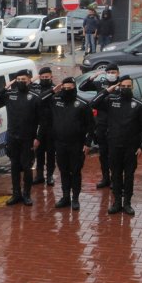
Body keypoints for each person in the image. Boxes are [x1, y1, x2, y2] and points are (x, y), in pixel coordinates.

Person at [90, 75, 142, 216]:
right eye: (123, 86)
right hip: (114, 145)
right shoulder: (111, 101)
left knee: (129, 176)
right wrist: (108, 90)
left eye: (128, 86)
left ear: (132, 87)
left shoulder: (139, 105)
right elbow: (93, 103)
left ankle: (127, 203)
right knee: (115, 175)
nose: (126, 89)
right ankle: (117, 202)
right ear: (119, 87)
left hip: (131, 147)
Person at [0, 70, 41, 206]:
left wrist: (37, 138)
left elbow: (43, 119)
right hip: (13, 137)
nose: (20, 82)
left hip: (28, 138)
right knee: (14, 166)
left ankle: (26, 195)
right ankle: (16, 194)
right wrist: (4, 87)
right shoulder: (10, 94)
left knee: (26, 167)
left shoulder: (35, 96)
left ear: (29, 80)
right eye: (18, 79)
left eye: (23, 79)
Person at [43, 77, 94, 210]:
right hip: (60, 143)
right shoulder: (55, 100)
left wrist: (88, 143)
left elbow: (91, 126)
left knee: (75, 172)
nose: (66, 91)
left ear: (74, 88)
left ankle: (75, 198)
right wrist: (53, 90)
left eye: (69, 88)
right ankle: (65, 196)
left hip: (76, 145)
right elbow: (40, 101)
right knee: (64, 171)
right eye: (64, 88)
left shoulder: (82, 104)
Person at [79, 63, 120, 189]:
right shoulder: (101, 84)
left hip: (116, 124)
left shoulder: (122, 84)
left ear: (118, 73)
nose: (111, 74)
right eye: (109, 72)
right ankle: (105, 178)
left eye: (114, 72)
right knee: (103, 154)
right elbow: (82, 87)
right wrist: (93, 76)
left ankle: (115, 179)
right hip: (102, 124)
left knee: (114, 155)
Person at [32, 66, 56, 186]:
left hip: (51, 126)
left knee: (51, 153)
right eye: (42, 77)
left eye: (47, 77)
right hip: (38, 125)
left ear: (51, 77)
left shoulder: (55, 88)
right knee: (39, 153)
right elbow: (25, 87)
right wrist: (33, 80)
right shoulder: (36, 88)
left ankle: (50, 175)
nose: (44, 79)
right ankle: (39, 175)